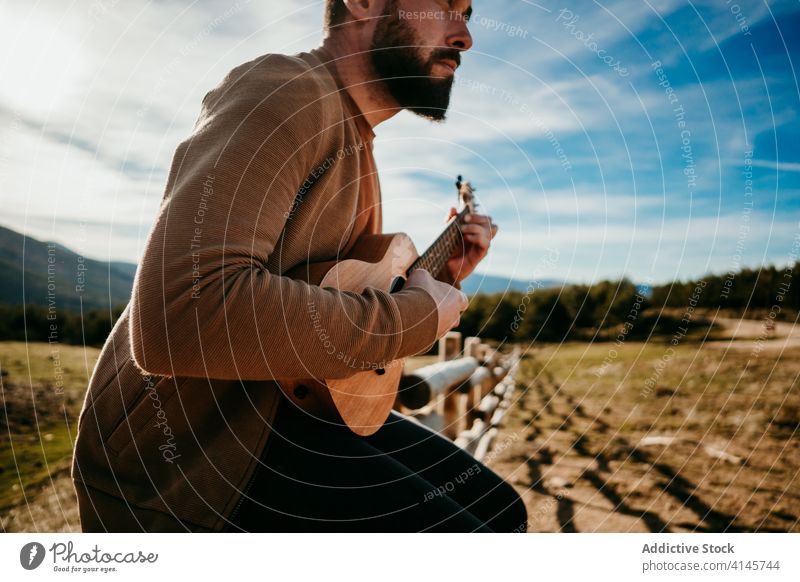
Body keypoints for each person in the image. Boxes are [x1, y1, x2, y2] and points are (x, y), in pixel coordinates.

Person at [71, 0, 528, 532]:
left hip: (286, 414)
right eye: (445, 5)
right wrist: (414, 316)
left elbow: (333, 301)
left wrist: (441, 276)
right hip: (195, 466)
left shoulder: (356, 141)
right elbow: (180, 317)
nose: (465, 36)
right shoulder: (285, 91)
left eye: (468, 14)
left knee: (502, 513)